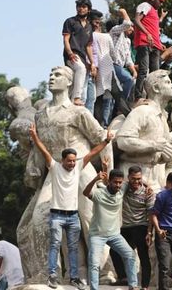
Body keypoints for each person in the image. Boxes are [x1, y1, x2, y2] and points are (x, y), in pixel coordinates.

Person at [29, 122, 113, 289]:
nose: (72, 164)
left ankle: (75, 277)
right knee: (55, 244)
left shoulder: (78, 167)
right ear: (63, 160)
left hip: (72, 216)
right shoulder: (54, 167)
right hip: (57, 215)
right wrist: (34, 136)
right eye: (69, 161)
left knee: (73, 247)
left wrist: (106, 141)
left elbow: (92, 152)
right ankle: (52, 275)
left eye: (74, 161)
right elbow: (44, 151)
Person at [115, 69, 172, 192]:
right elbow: (122, 141)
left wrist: (164, 156)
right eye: (168, 83)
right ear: (156, 88)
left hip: (152, 177)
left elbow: (160, 151)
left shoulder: (162, 118)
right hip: (132, 177)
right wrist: (154, 145)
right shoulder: (143, 111)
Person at [83, 168, 139, 290]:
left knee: (130, 255)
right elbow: (86, 193)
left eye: (120, 182)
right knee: (94, 263)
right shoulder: (99, 193)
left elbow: (134, 179)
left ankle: (133, 286)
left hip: (114, 235)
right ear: (109, 182)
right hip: (97, 235)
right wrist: (95, 179)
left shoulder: (121, 190)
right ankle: (94, 288)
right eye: (115, 182)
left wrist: (147, 185)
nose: (118, 185)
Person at [109, 165, 155, 290]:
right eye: (133, 178)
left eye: (139, 178)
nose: (136, 181)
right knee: (114, 251)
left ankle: (144, 286)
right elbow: (116, 183)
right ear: (128, 178)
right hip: (126, 228)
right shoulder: (124, 187)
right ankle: (123, 277)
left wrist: (149, 232)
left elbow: (151, 213)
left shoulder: (148, 193)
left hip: (141, 227)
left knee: (143, 256)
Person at [133, 0, 168, 100]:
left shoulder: (154, 12)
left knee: (155, 74)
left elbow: (154, 28)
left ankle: (152, 97)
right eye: (160, 1)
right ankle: (138, 96)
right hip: (144, 43)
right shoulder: (145, 6)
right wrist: (147, 33)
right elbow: (137, 20)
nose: (161, 4)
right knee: (143, 70)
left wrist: (160, 43)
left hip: (155, 45)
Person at [63, 0, 96, 106]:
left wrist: (92, 63)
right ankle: (76, 98)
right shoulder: (70, 21)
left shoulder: (90, 26)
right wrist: (70, 53)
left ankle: (76, 100)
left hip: (82, 57)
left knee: (84, 73)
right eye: (79, 7)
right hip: (71, 56)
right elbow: (66, 40)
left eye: (83, 7)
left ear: (88, 9)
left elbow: (88, 47)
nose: (80, 9)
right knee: (81, 68)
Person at [90, 9, 118, 127]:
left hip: (94, 68)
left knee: (94, 98)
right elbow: (113, 54)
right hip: (106, 67)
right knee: (107, 98)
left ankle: (94, 121)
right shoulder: (107, 37)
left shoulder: (89, 35)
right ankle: (105, 124)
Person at [109, 8, 137, 101]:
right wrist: (124, 12)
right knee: (128, 79)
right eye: (131, 27)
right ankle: (122, 104)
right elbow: (127, 24)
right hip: (112, 65)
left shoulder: (128, 40)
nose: (132, 29)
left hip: (120, 67)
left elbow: (128, 58)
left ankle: (119, 108)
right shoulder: (115, 31)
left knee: (130, 82)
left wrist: (134, 71)